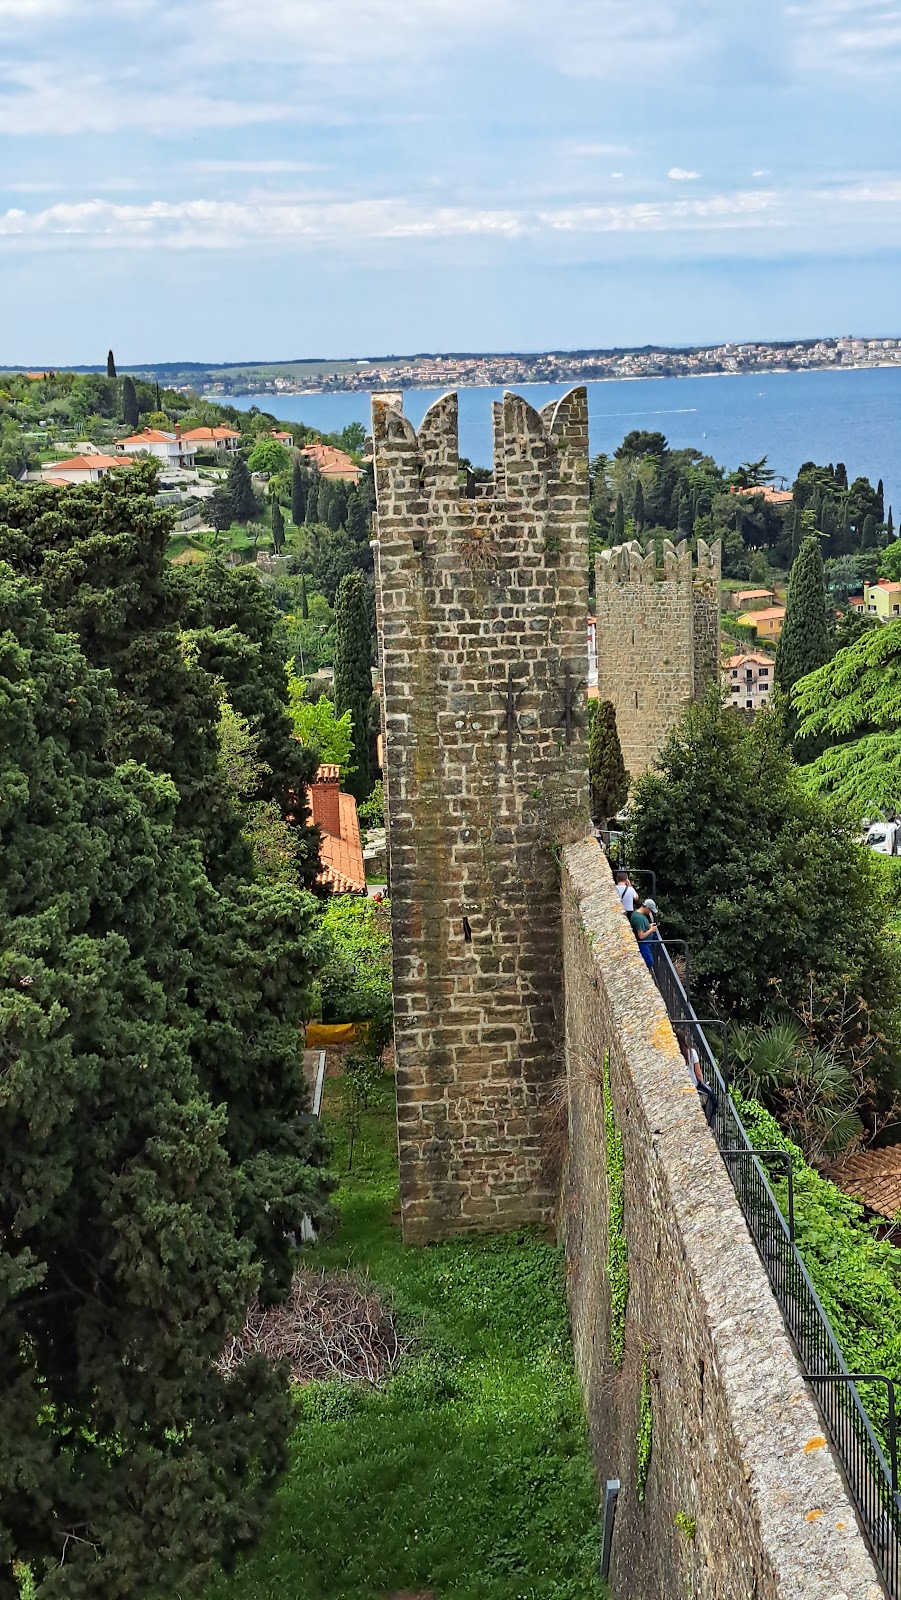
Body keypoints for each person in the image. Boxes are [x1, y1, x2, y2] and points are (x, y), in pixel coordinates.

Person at [629, 899, 658, 968]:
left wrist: (649, 926)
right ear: (647, 908)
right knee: (649, 961)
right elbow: (641, 935)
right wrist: (651, 930)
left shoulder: (637, 913)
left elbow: (642, 927)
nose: (650, 912)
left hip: (647, 942)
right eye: (650, 910)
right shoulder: (639, 918)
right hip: (644, 943)